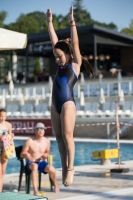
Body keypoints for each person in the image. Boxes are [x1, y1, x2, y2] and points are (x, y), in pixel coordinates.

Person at [46, 6, 93, 187]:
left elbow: (74, 44)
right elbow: (54, 40)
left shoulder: (75, 64)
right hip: (55, 103)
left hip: (67, 104)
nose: (57, 59)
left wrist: (72, 21)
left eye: (59, 56)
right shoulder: (59, 63)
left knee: (67, 136)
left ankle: (71, 168)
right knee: (58, 137)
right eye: (55, 56)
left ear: (68, 54)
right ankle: (64, 167)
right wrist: (50, 23)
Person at [20, 122, 59, 196]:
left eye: (42, 129)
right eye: (38, 129)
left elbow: (47, 152)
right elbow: (21, 154)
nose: (40, 131)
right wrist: (25, 154)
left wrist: (45, 155)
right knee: (35, 166)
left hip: (41, 162)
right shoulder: (30, 141)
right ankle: (35, 190)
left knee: (52, 169)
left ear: (44, 131)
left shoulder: (47, 141)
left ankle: (55, 185)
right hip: (31, 162)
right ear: (35, 131)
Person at [0, 108, 14, 192]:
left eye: (4, 116)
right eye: (1, 116)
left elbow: (10, 136)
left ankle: (0, 191)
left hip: (6, 149)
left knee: (3, 172)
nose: (3, 118)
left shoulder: (9, 125)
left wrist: (11, 135)